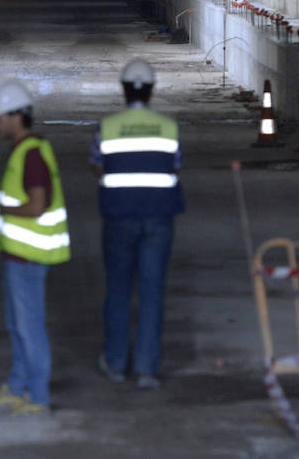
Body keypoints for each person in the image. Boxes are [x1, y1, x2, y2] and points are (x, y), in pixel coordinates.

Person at [91, 59, 183, 390]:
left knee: (118, 290)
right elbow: (175, 167)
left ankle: (116, 363)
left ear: (124, 89)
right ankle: (146, 368)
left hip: (119, 217)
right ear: (152, 90)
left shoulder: (108, 127)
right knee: (152, 291)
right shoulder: (168, 127)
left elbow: (98, 167)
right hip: (158, 218)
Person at [0, 81, 69, 416]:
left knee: (29, 327)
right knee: (18, 325)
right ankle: (18, 386)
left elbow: (36, 206)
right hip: (18, 255)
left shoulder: (32, 155)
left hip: (30, 257)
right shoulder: (24, 151)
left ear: (16, 116)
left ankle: (38, 396)